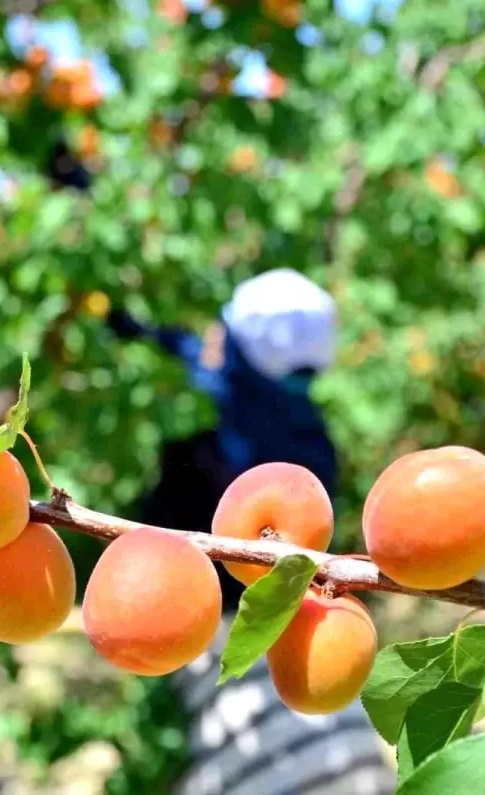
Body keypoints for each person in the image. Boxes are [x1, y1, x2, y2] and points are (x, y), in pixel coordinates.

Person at [106, 269, 395, 795]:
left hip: (226, 663)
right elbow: (187, 347)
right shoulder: (311, 443)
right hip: (318, 658)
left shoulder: (205, 420)